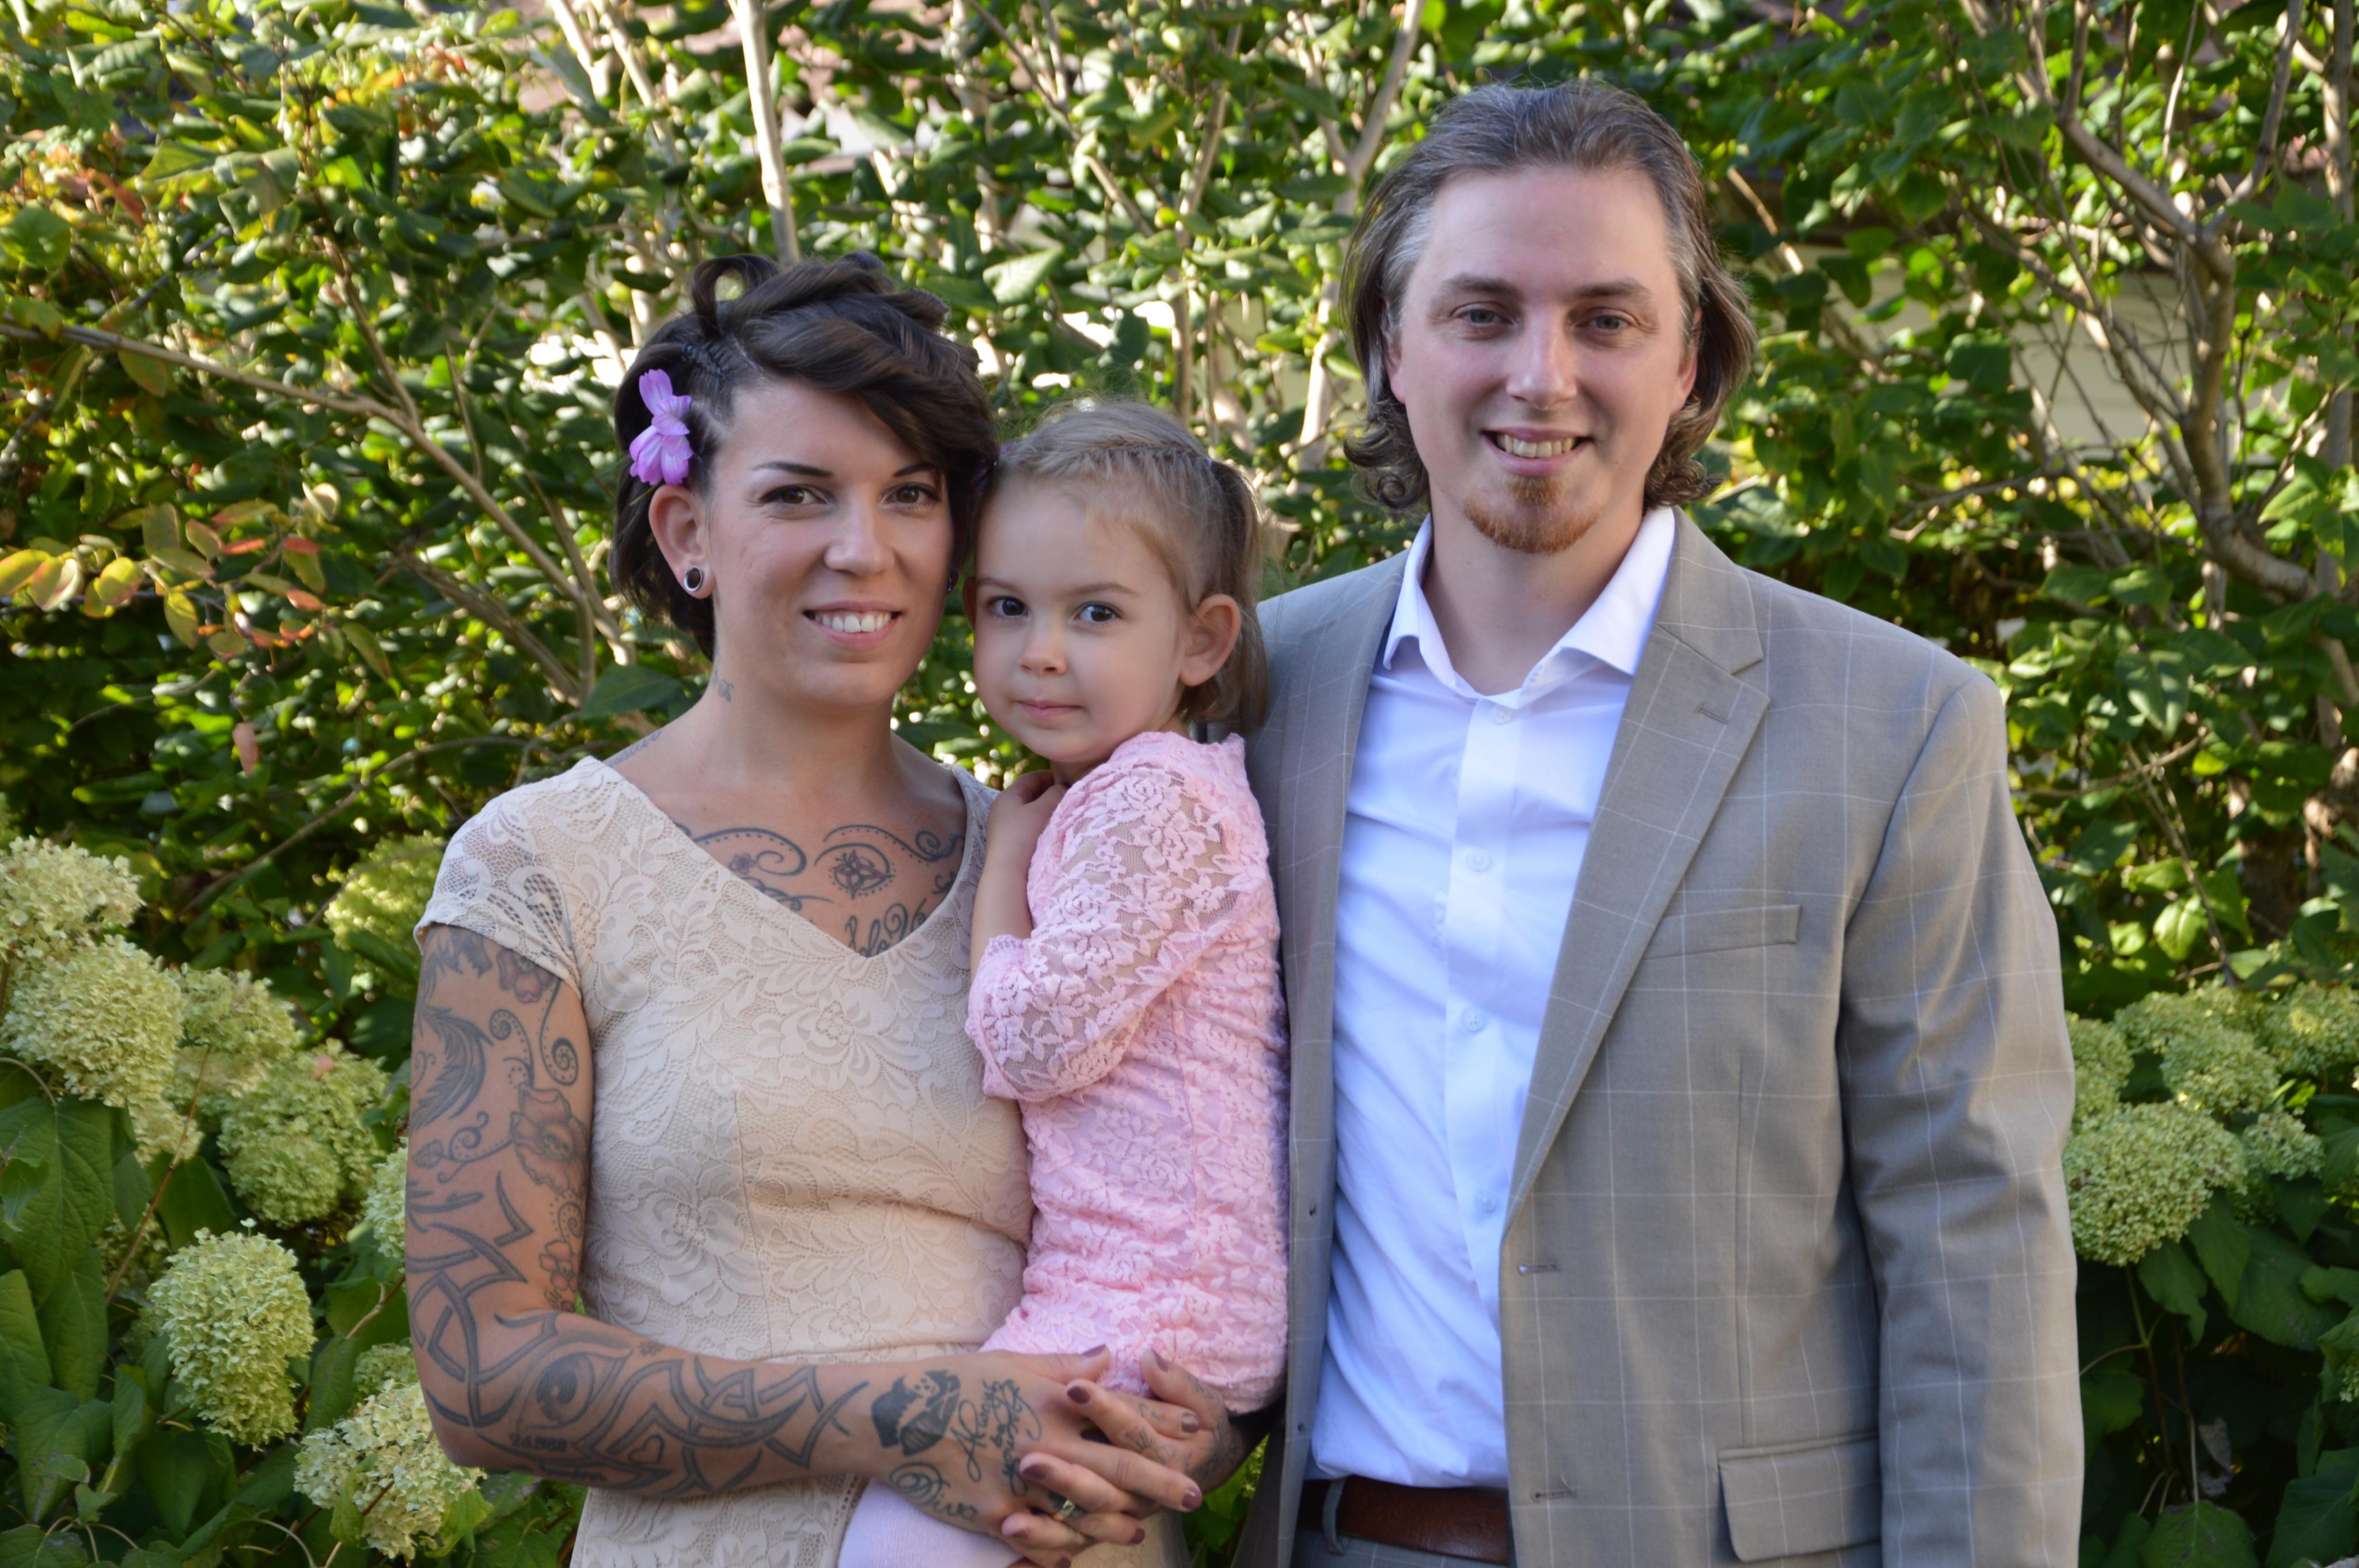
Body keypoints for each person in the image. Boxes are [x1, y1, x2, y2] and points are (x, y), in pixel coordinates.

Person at [1234, 81, 2081, 1567]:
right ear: (1390, 346)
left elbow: (1974, 1241)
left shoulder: (1893, 725)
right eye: (1481, 313)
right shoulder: (1254, 696)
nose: (1540, 375)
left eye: (1606, 319)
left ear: (1688, 360)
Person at [404, 253, 1239, 1568]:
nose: (867, 548)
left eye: (910, 494)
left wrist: (1196, 1425)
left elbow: (1199, 1200)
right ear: (687, 532)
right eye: (799, 494)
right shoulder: (540, 865)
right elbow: (481, 1376)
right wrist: (900, 1416)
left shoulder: (1064, 855)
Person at [839, 400, 1288, 1568]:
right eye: (1007, 608)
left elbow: (1037, 1043)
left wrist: (1001, 873)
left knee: (900, 1542)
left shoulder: (1151, 799)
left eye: (1094, 613)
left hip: (1150, 1308)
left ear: (1200, 643)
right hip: (1142, 1293)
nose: (1040, 651)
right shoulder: (1135, 788)